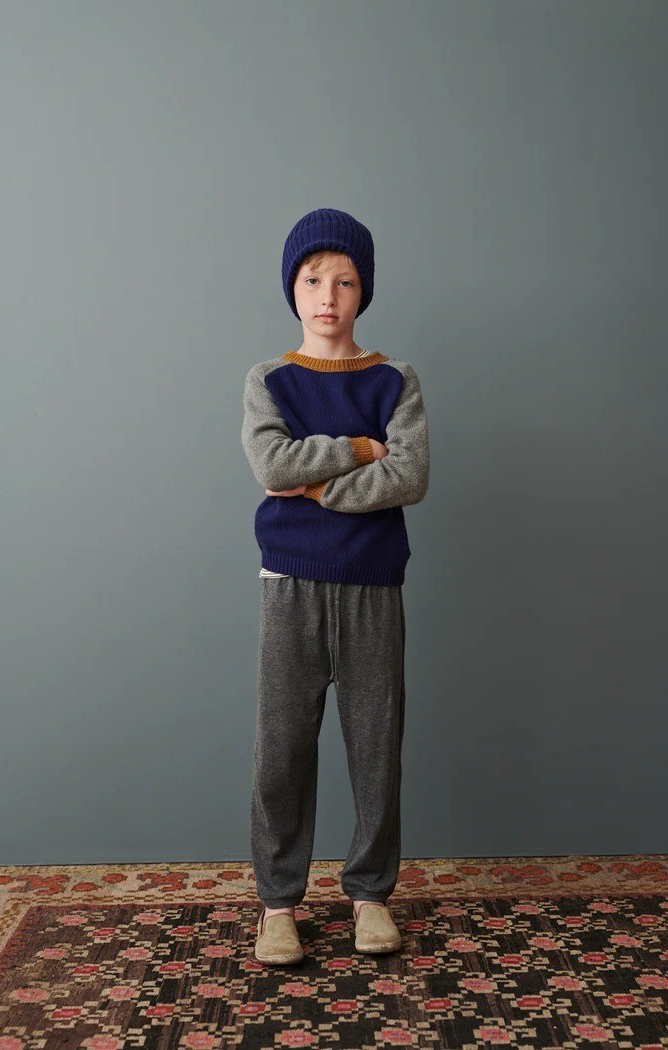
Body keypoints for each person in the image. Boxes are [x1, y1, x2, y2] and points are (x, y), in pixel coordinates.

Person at [241, 207, 430, 965]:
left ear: (364, 291)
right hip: (289, 584)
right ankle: (278, 904)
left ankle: (371, 895)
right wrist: (356, 448)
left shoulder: (395, 379)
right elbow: (270, 465)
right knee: (282, 748)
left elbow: (410, 476)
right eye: (314, 279)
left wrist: (315, 488)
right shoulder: (270, 379)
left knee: (376, 746)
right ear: (292, 286)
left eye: (345, 281)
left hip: (373, 585)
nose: (328, 296)